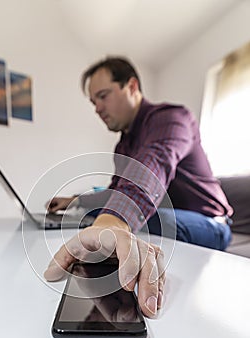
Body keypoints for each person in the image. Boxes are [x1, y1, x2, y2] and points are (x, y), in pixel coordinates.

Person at [44, 56, 233, 317]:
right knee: (101, 215)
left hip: (211, 224)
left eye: (103, 95)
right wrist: (75, 200)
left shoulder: (172, 119)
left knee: (134, 219)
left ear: (131, 87)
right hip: (165, 215)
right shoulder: (123, 145)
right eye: (93, 102)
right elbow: (115, 190)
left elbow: (151, 165)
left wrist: (111, 221)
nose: (97, 108)